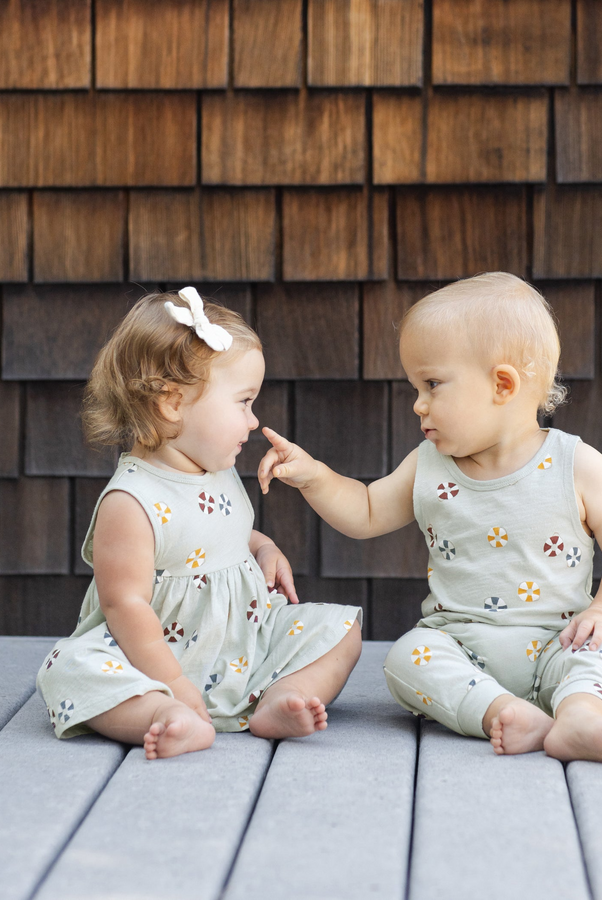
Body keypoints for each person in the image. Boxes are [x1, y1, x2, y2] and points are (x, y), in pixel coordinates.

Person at [258, 272, 602, 763]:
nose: (419, 404)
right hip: (460, 646)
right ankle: (503, 712)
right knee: (407, 658)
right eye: (415, 388)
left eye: (432, 384)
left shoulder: (576, 465)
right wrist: (314, 475)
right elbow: (364, 510)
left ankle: (580, 718)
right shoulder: (427, 465)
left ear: (502, 384)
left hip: (561, 640)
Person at [37, 287, 362, 759]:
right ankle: (163, 713)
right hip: (151, 660)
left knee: (341, 630)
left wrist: (263, 547)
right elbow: (124, 603)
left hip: (242, 643)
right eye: (243, 402)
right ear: (173, 404)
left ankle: (275, 701)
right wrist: (172, 682)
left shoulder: (216, 469)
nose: (253, 422)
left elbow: (219, 533)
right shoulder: (131, 501)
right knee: (68, 667)